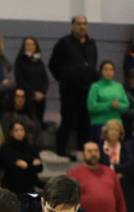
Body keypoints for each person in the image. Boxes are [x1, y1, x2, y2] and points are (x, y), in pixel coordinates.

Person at [50, 16, 100, 156]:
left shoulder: (91, 44)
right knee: (67, 122)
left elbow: (93, 64)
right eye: (79, 24)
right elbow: (53, 64)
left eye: (84, 24)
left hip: (87, 90)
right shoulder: (64, 43)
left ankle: (82, 153)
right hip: (69, 91)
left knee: (84, 124)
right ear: (72, 26)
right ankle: (60, 153)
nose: (82, 27)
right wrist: (65, 79)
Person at [86, 61, 130, 144]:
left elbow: (126, 105)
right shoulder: (95, 86)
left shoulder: (118, 86)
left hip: (116, 124)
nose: (108, 72)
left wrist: (119, 105)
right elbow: (91, 107)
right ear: (101, 71)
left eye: (111, 70)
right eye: (106, 70)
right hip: (100, 124)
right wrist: (109, 105)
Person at [0, 120, 43, 194]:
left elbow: (40, 167)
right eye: (16, 130)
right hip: (11, 187)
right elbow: (10, 167)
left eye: (21, 130)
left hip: (30, 186)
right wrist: (31, 164)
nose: (19, 133)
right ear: (11, 132)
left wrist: (26, 166)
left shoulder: (30, 146)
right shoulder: (6, 148)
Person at [15, 37, 49, 126]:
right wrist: (32, 93)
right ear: (24, 46)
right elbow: (20, 80)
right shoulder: (20, 61)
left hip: (40, 99)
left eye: (32, 44)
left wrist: (42, 92)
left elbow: (45, 80)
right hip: (27, 98)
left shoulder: (39, 62)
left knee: (39, 122)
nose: (30, 47)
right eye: (27, 44)